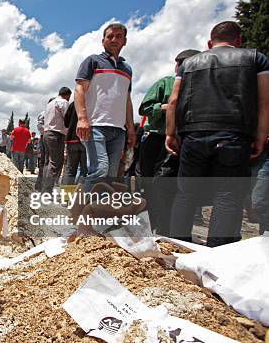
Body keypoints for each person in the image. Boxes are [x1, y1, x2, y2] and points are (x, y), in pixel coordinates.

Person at [166, 21, 269, 247]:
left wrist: (170, 133)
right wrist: (260, 136)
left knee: (186, 194)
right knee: (228, 196)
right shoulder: (255, 59)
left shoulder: (189, 64)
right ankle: (217, 256)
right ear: (239, 40)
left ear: (209, 43)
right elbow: (264, 102)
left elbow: (173, 101)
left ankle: (175, 249)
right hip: (233, 134)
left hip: (193, 134)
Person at [138, 49, 199, 232]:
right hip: (156, 138)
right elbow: (145, 108)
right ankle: (152, 223)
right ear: (177, 66)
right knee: (149, 182)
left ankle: (167, 227)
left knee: (172, 185)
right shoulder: (165, 83)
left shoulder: (201, 86)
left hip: (183, 140)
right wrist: (167, 107)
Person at [75, 23, 136, 190]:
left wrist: (130, 128)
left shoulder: (127, 69)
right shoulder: (93, 61)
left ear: (124, 41)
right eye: (110, 36)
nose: (114, 39)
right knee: (99, 170)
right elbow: (79, 89)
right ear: (103, 41)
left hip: (118, 130)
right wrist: (82, 118)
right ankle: (85, 212)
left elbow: (127, 100)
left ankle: (99, 213)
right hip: (95, 126)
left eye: (118, 36)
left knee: (110, 174)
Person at [41, 87, 71, 192]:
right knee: (55, 163)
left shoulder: (50, 103)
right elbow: (68, 119)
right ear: (68, 95)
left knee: (47, 162)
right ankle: (47, 191)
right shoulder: (64, 102)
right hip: (56, 134)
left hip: (46, 133)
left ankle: (43, 188)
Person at [63, 100, 87, 185]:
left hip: (72, 140)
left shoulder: (73, 104)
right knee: (85, 170)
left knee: (70, 170)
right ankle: (82, 195)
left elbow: (66, 123)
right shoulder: (92, 102)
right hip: (86, 139)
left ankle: (67, 196)